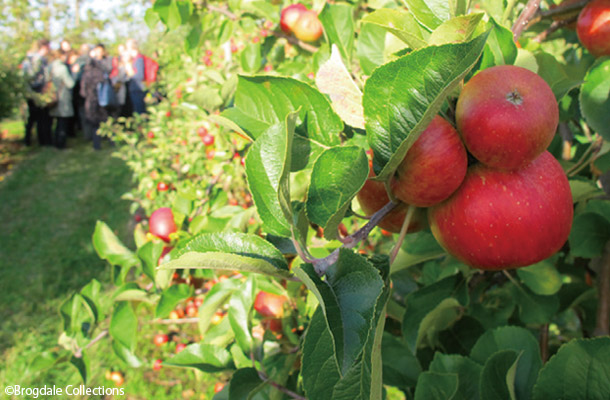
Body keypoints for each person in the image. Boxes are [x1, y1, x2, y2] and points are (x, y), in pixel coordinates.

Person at [21, 39, 52, 146]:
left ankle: (29, 140)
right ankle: (42, 141)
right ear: (44, 47)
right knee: (40, 117)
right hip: (37, 92)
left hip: (32, 92)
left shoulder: (28, 59)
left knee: (34, 117)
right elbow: (32, 76)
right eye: (48, 47)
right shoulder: (38, 60)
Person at [80, 44, 109, 150]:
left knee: (94, 123)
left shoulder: (86, 74)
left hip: (91, 100)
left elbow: (82, 91)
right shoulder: (101, 73)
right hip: (101, 100)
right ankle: (110, 140)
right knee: (105, 120)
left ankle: (96, 144)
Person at [47, 50, 75, 149]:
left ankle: (55, 142)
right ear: (62, 56)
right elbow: (70, 84)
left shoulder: (50, 67)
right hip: (62, 98)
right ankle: (61, 144)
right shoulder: (62, 68)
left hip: (52, 97)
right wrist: (75, 74)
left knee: (57, 122)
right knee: (62, 122)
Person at [125, 38, 147, 114]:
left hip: (138, 90)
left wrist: (129, 73)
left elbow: (139, 76)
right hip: (136, 89)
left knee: (140, 112)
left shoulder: (139, 59)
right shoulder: (135, 59)